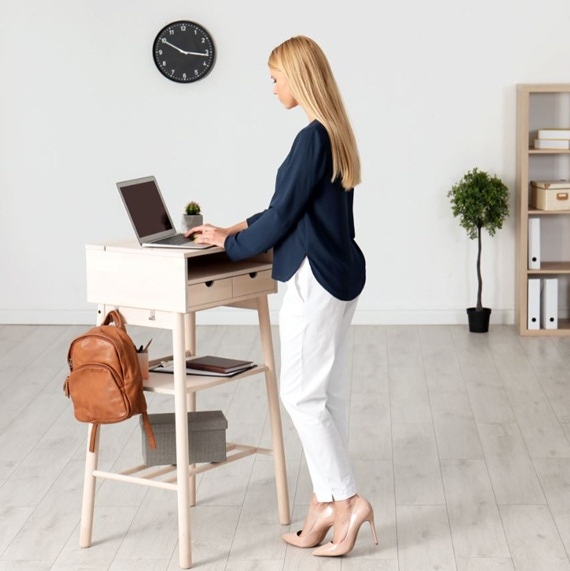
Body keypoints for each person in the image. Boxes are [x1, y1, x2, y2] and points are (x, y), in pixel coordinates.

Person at [185, 35, 377, 558]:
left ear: (298, 77)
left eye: (276, 78)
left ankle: (348, 501)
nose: (272, 89)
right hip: (339, 275)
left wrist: (231, 245)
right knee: (327, 395)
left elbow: (281, 216)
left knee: (299, 394)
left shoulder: (311, 139)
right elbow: (283, 206)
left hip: (315, 279)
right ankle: (321, 502)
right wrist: (233, 228)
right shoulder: (334, 135)